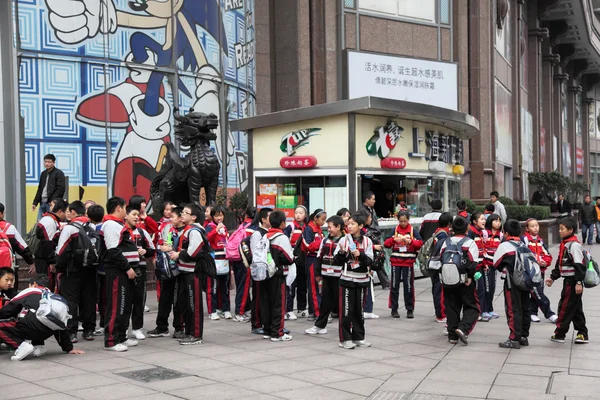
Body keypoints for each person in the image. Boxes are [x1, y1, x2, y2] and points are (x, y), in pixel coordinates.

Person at [0, 274, 85, 361]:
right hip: (47, 332)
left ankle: (22, 346)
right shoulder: (54, 297)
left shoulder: (31, 291)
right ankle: (38, 347)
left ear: (34, 284)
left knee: (28, 316)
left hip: (30, 328)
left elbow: (9, 309)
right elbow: (60, 324)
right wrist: (69, 348)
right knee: (38, 314)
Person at [55, 201, 97, 343]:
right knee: (89, 300)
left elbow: (62, 251)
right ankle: (89, 330)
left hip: (72, 270)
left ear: (73, 212)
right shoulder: (93, 226)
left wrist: (59, 268)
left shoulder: (69, 228)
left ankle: (71, 332)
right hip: (91, 269)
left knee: (71, 301)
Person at [101, 196, 140, 352]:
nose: (126, 211)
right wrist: (127, 268)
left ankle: (122, 336)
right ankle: (111, 340)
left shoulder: (118, 224)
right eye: (125, 208)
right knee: (117, 305)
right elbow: (113, 251)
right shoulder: (110, 224)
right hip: (118, 271)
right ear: (118, 208)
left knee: (125, 305)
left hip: (126, 271)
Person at [546, 217, 589, 344]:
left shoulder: (573, 245)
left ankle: (560, 333)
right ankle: (582, 333)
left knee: (565, 307)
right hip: (569, 281)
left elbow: (579, 266)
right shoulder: (565, 244)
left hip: (573, 282)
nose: (560, 231)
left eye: (562, 229)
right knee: (575, 308)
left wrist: (579, 282)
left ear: (570, 230)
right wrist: (553, 277)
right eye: (559, 228)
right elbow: (560, 264)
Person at [438, 217, 480, 345]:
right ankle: (463, 329)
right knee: (473, 307)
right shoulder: (470, 243)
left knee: (451, 306)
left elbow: (440, 259)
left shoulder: (446, 242)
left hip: (448, 280)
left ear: (452, 228)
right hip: (464, 281)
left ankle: (452, 336)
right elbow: (473, 263)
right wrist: (470, 277)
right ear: (467, 228)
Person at [335, 213, 374, 349]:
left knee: (359, 311)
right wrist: (341, 254)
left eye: (353, 224)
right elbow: (336, 261)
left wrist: (361, 255)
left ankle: (358, 337)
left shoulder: (368, 241)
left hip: (362, 280)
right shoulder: (343, 240)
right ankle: (345, 339)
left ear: (361, 226)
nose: (349, 226)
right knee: (346, 311)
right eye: (348, 224)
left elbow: (371, 261)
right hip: (347, 279)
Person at [492, 219, 532, 349]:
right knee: (525, 308)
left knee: (513, 309)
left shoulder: (504, 246)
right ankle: (523, 336)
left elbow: (496, 263)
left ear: (506, 233)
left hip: (512, 283)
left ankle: (514, 338)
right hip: (526, 282)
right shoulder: (524, 245)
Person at [171, 204, 206, 345]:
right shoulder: (186, 230)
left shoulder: (194, 231)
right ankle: (189, 331)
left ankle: (196, 334)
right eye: (182, 212)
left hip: (193, 273)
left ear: (194, 217)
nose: (182, 215)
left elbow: (194, 252)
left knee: (194, 305)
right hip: (184, 271)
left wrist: (178, 254)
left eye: (186, 212)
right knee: (185, 303)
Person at [148, 206, 185, 338]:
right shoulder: (170, 229)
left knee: (177, 301)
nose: (171, 218)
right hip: (168, 269)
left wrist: (170, 248)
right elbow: (165, 244)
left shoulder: (186, 231)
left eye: (173, 216)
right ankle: (161, 326)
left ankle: (179, 327)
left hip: (179, 270)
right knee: (164, 298)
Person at [305, 215, 344, 335]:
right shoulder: (325, 240)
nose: (329, 229)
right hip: (327, 275)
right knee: (325, 302)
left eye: (331, 227)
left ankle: (347, 327)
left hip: (340, 277)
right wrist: (318, 274)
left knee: (342, 303)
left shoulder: (345, 240)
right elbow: (319, 257)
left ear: (338, 227)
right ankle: (320, 326)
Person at [261, 210, 294, 341]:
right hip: (277, 274)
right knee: (278, 304)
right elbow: (288, 258)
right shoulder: (281, 238)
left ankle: (268, 330)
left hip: (264, 274)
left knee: (267, 303)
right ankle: (277, 332)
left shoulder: (265, 236)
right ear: (282, 223)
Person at [384, 210, 423, 319]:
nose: (403, 223)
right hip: (396, 261)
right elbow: (386, 244)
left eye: (405, 221)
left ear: (408, 220)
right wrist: (393, 239)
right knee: (394, 285)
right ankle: (394, 308)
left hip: (408, 262)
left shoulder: (412, 231)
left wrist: (410, 241)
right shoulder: (394, 230)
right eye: (401, 221)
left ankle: (410, 309)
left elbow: (420, 243)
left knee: (409, 286)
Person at [124, 206, 155, 340]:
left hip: (140, 269)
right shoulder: (121, 231)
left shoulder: (142, 232)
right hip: (124, 270)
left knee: (139, 300)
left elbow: (152, 249)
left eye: (138, 215)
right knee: (124, 300)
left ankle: (137, 328)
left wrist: (145, 251)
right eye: (134, 214)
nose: (137, 217)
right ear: (126, 215)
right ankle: (123, 328)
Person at [522, 218, 557, 324]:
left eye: (536, 225)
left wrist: (545, 263)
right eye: (532, 226)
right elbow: (523, 255)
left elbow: (548, 255)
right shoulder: (524, 239)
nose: (535, 228)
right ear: (527, 228)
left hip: (540, 270)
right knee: (538, 292)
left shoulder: (540, 240)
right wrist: (535, 262)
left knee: (536, 292)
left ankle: (532, 312)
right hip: (530, 272)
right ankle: (550, 314)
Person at [0, 203, 35, 297]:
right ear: (2, 213)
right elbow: (22, 247)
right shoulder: (9, 228)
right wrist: (31, 262)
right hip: (7, 268)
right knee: (11, 293)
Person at [35, 199, 68, 292]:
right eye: (66, 212)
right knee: (46, 285)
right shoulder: (49, 221)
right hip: (44, 260)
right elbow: (48, 243)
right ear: (60, 211)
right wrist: (51, 262)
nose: (67, 215)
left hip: (43, 257)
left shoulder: (49, 219)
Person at [205, 205, 231, 320]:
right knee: (213, 287)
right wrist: (215, 230)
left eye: (221, 215)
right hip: (214, 261)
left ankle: (225, 309)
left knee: (224, 287)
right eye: (216, 215)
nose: (219, 218)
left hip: (224, 261)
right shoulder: (209, 227)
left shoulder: (224, 228)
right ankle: (212, 310)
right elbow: (206, 239)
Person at [249, 208, 272, 335]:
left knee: (266, 297)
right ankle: (256, 324)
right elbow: (256, 253)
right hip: (260, 270)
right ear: (263, 219)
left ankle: (266, 322)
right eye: (270, 216)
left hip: (270, 270)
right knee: (258, 297)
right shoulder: (258, 234)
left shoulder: (271, 232)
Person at [360, 192, 390, 290]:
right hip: (369, 237)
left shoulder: (371, 209)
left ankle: (384, 282)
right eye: (372, 199)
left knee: (377, 260)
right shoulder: (362, 211)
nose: (374, 201)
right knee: (374, 259)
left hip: (374, 237)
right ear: (367, 200)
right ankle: (383, 282)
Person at [232, 206, 256, 322]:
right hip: (245, 260)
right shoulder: (253, 228)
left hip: (235, 257)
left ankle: (246, 309)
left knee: (240, 285)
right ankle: (239, 312)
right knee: (244, 286)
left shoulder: (242, 225)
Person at [283, 205, 308, 320]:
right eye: (296, 213)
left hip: (304, 259)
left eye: (301, 213)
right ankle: (288, 310)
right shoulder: (290, 226)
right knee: (291, 284)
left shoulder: (307, 227)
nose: (298, 215)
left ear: (305, 215)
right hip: (293, 258)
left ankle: (301, 308)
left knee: (303, 284)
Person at [302, 209, 327, 320]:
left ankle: (313, 311)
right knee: (314, 287)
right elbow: (307, 245)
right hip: (311, 259)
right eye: (322, 219)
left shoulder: (319, 229)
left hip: (317, 259)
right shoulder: (309, 229)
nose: (324, 222)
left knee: (316, 286)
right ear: (315, 218)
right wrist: (322, 243)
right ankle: (317, 313)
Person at [86, 204, 107, 337]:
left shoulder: (92, 230)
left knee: (102, 298)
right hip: (107, 267)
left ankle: (104, 324)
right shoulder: (106, 227)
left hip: (98, 268)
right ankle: (105, 323)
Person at [430, 212, 454, 324]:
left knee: (436, 289)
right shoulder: (443, 235)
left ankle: (439, 313)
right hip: (439, 265)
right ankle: (440, 314)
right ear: (449, 223)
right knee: (439, 291)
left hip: (435, 265)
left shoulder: (437, 231)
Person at [481, 214, 503, 320]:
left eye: (499, 221)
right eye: (495, 221)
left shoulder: (501, 235)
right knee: (487, 287)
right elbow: (482, 247)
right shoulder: (485, 233)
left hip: (494, 265)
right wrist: (484, 262)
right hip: (486, 265)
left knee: (492, 287)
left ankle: (490, 309)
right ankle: (484, 310)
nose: (498, 223)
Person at [32, 154, 66, 221]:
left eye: (49, 162)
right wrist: (35, 202)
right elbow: (40, 189)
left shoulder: (59, 173)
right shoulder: (43, 174)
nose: (47, 163)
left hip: (52, 204)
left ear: (53, 163)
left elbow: (61, 189)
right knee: (39, 223)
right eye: (45, 161)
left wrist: (52, 201)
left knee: (51, 222)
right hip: (42, 203)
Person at [468, 212, 488, 322]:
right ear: (474, 221)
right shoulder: (471, 233)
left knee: (481, 290)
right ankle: (476, 313)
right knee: (477, 291)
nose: (484, 221)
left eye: (484, 219)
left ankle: (478, 312)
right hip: (474, 268)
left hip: (480, 266)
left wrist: (484, 264)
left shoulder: (479, 233)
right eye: (481, 219)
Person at [361, 212, 381, 319]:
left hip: (367, 262)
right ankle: (367, 309)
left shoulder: (366, 231)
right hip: (363, 264)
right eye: (369, 218)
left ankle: (368, 309)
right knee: (367, 286)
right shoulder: (362, 233)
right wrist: (374, 247)